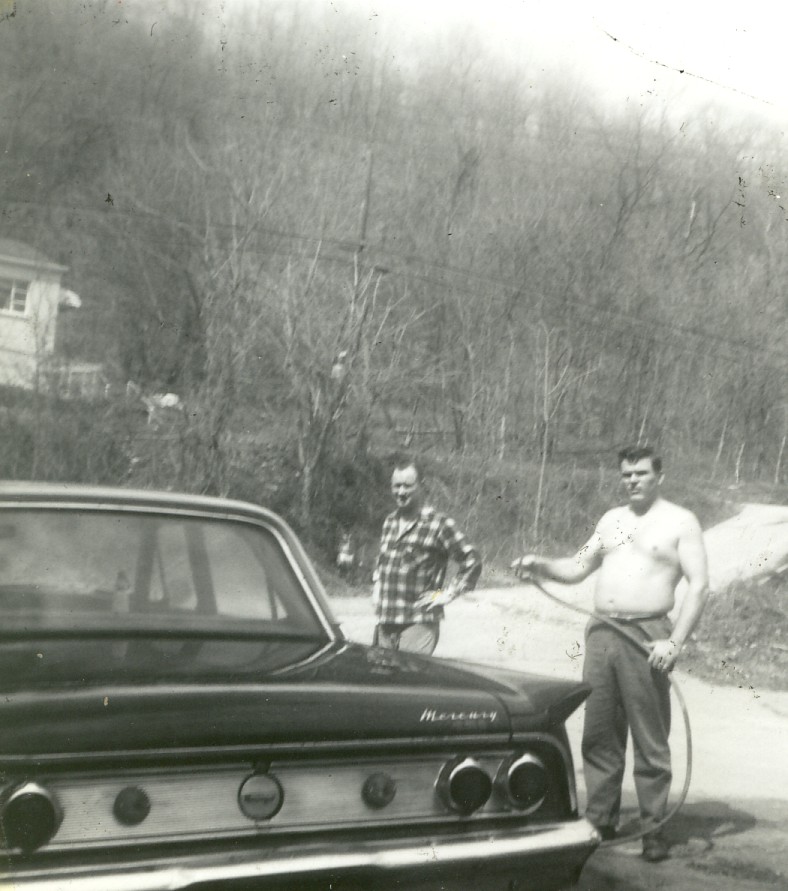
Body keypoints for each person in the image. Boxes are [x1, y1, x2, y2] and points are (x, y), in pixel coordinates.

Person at [511, 446, 709, 863]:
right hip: (602, 631)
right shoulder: (612, 521)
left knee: (650, 737)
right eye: (626, 474)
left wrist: (674, 642)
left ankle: (653, 826)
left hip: (647, 634)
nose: (632, 480)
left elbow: (699, 586)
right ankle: (601, 819)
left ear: (660, 475)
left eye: (640, 473)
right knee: (600, 733)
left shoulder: (680, 521)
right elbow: (578, 567)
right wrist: (540, 564)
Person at [372, 456, 482, 656]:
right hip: (385, 623)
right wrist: (377, 584)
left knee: (409, 683)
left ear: (421, 486)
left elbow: (471, 559)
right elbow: (383, 562)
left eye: (407, 486)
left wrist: (448, 593)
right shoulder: (389, 522)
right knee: (382, 685)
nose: (401, 492)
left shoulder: (438, 523)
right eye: (396, 486)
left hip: (419, 624)